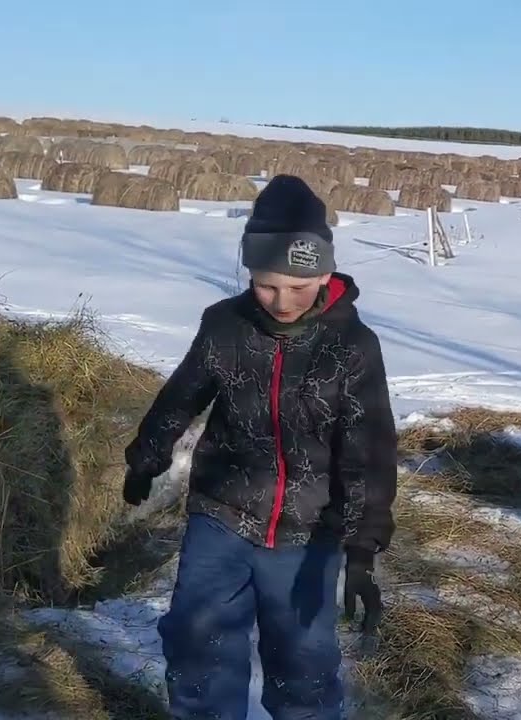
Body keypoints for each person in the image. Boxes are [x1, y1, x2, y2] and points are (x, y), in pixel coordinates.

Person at [120, 174, 398, 720]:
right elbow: (182, 395)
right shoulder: (224, 325)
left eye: (300, 286)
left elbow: (369, 447)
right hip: (219, 517)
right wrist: (146, 455)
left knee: (304, 664)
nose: (283, 300)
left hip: (309, 533)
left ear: (325, 272)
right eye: (268, 285)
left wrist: (363, 547)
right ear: (250, 271)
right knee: (198, 648)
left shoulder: (352, 347)